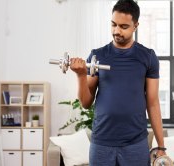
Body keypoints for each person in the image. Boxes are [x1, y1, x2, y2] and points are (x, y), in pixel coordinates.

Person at [70, 0, 166, 165]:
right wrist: (80, 75)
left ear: (135, 26)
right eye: (113, 24)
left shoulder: (148, 57)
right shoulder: (97, 56)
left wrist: (161, 146)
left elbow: (153, 103)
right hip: (101, 143)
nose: (116, 31)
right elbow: (86, 103)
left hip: (135, 143)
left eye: (123, 26)